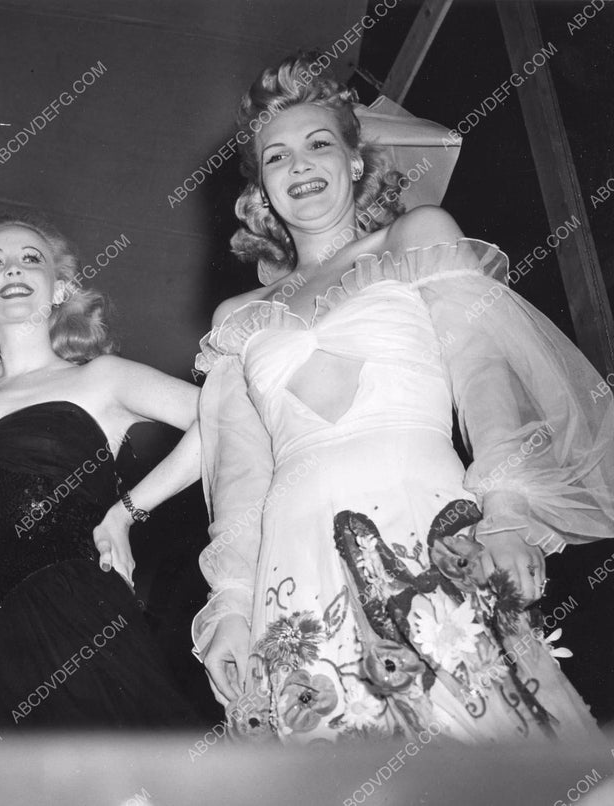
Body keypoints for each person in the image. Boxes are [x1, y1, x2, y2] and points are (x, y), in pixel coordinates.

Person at [192, 55, 614, 744]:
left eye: (319, 143)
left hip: (425, 522)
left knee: (489, 738)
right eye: (276, 156)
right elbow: (242, 479)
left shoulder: (417, 237)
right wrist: (232, 605)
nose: (299, 165)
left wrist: (506, 511)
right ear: (261, 189)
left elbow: (483, 378)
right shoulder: (237, 318)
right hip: (294, 560)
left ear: (356, 161)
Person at [0, 214, 201, 740]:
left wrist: (126, 512)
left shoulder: (101, 378)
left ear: (61, 289)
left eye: (31, 259)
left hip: (78, 622)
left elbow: (224, 417)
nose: (12, 269)